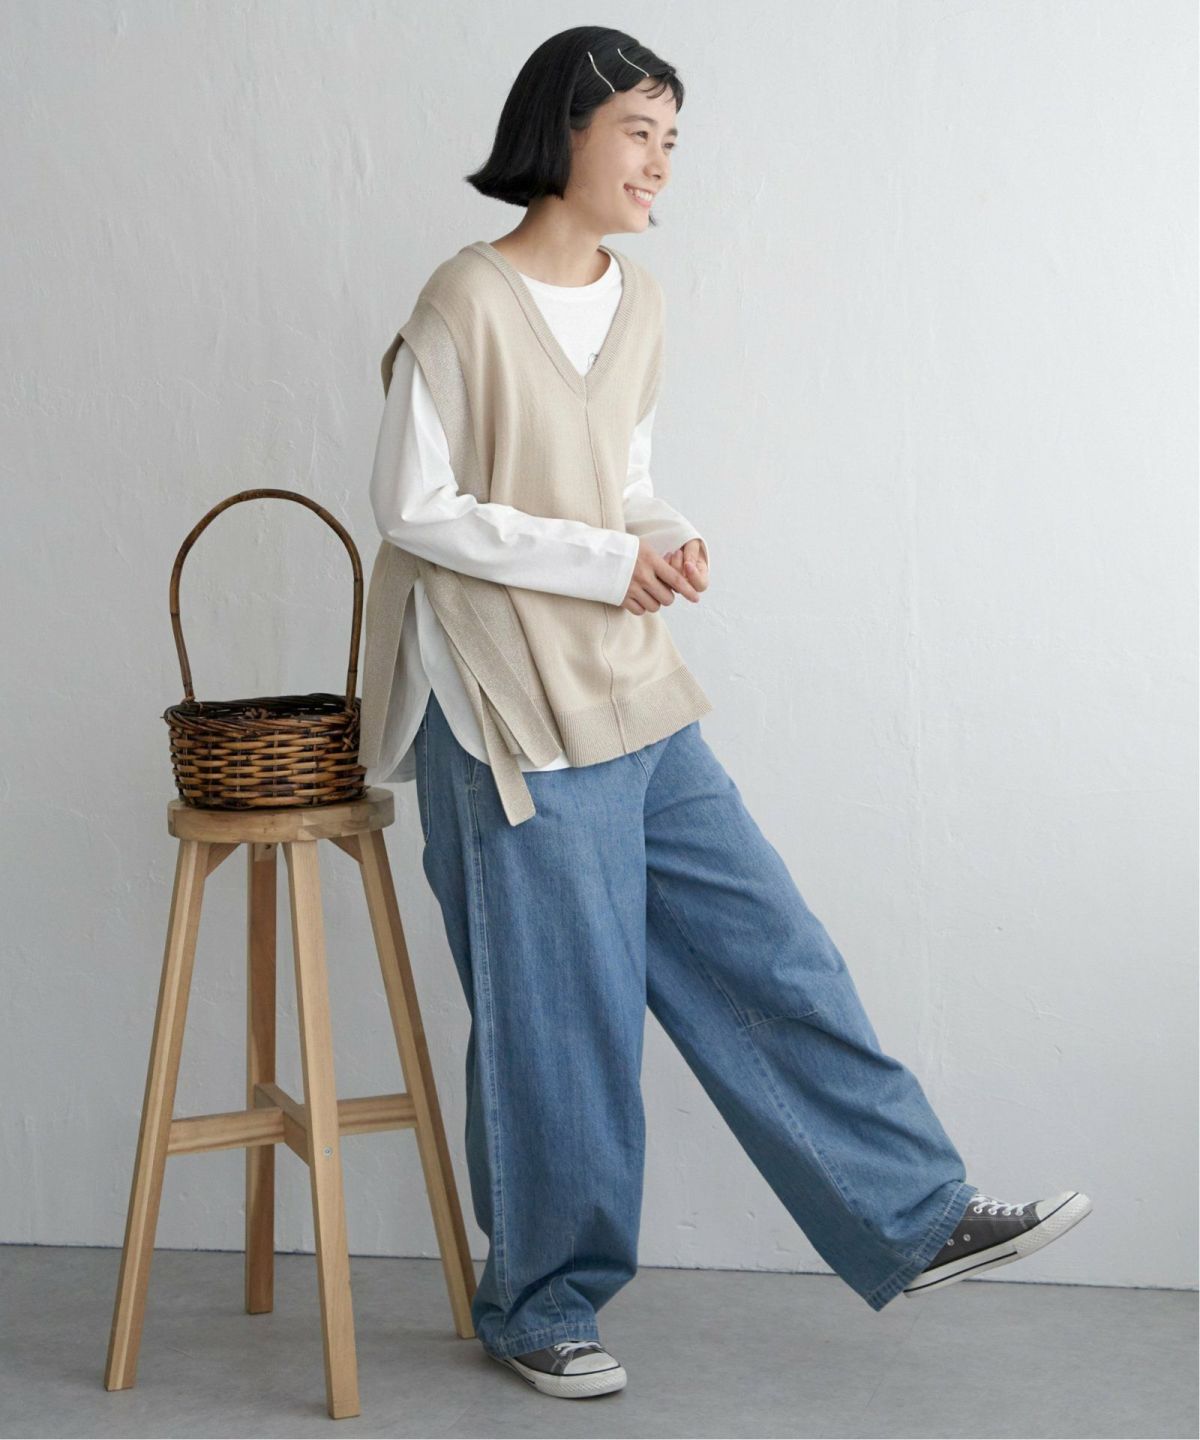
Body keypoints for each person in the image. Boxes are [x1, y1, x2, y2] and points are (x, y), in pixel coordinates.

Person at [361, 26, 1092, 1402]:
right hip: (507, 701)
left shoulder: (636, 301)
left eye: (672, 140)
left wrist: (666, 536)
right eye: (638, 132)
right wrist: (604, 559)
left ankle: (915, 1212)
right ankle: (539, 1305)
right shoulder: (464, 299)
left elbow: (624, 478)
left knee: (772, 951)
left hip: (627, 683)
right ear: (565, 132)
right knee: (560, 1016)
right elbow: (414, 507)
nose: (660, 163)